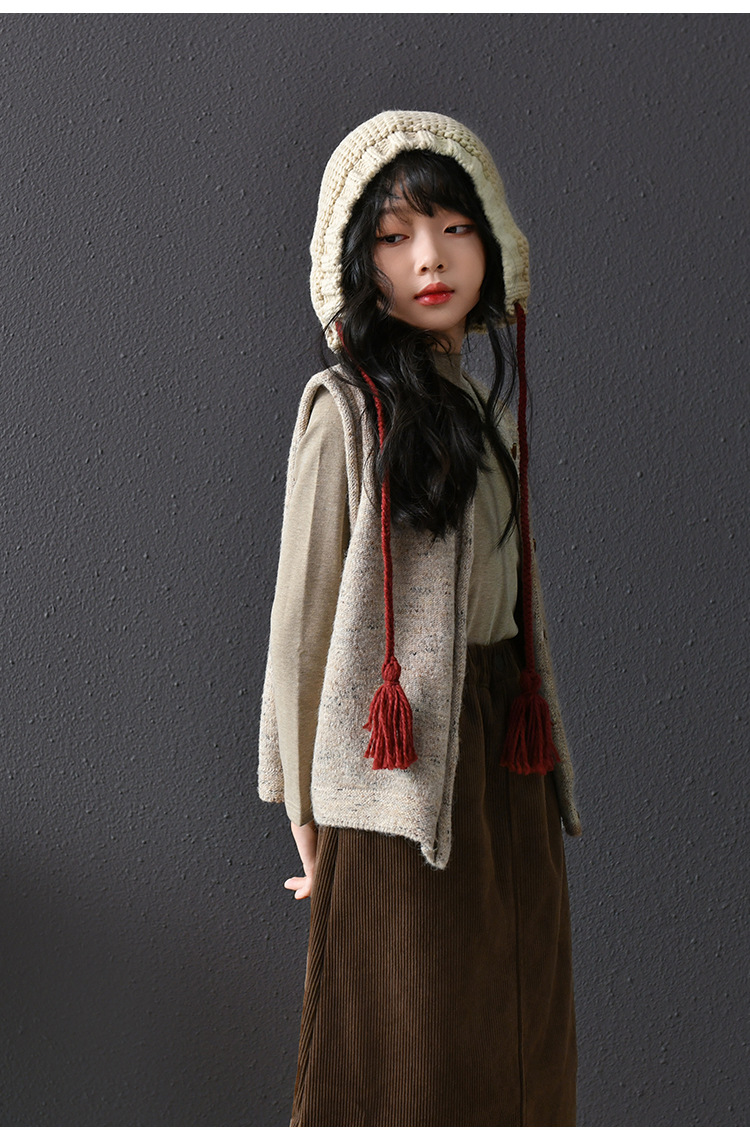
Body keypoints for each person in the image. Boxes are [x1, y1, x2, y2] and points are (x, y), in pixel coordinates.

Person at [258, 110, 582, 1127]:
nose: (430, 259)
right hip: (394, 777)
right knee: (410, 1049)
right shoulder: (346, 411)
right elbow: (301, 627)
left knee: (520, 1029)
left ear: (494, 242)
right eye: (396, 238)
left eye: (454, 227)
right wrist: (307, 815)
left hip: (505, 750)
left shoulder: (486, 415)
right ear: (360, 264)